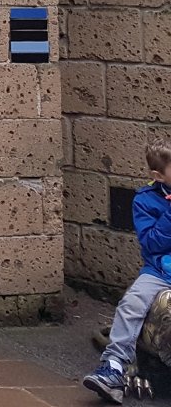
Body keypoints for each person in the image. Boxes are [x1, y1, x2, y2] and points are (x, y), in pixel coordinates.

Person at [85, 140, 171, 403]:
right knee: (131, 304)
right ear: (158, 176)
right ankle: (113, 366)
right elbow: (152, 242)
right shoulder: (144, 201)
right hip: (159, 271)